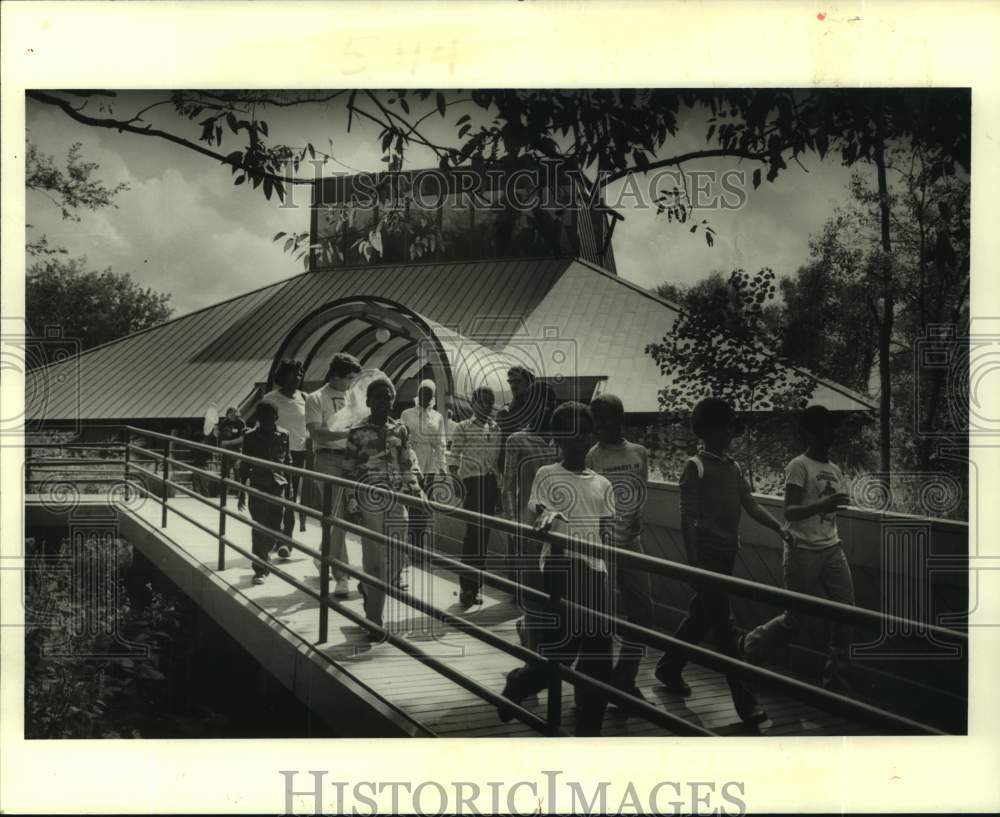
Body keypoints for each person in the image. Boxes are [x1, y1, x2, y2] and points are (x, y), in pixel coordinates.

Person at [654, 397, 790, 727]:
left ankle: (668, 667)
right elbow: (687, 520)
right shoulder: (695, 466)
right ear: (709, 430)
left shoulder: (733, 467)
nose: (731, 432)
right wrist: (694, 566)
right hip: (707, 559)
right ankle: (746, 703)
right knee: (725, 630)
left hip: (727, 556)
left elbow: (750, 504)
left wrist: (779, 526)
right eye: (725, 426)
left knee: (701, 616)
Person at [498, 402, 617, 737]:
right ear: (557, 438)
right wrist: (548, 515)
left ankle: (588, 730)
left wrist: (610, 572)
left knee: (596, 659)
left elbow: (606, 532)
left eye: (584, 431)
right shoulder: (548, 474)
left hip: (596, 572)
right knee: (567, 650)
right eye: (570, 432)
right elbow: (536, 508)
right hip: (562, 566)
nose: (578, 438)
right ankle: (521, 682)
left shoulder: (603, 484)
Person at [739, 404, 855, 693]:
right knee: (795, 619)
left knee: (848, 615)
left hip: (832, 547)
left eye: (830, 427)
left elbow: (829, 508)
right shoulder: (798, 465)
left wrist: (836, 505)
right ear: (807, 433)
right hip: (802, 550)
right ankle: (751, 647)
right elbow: (790, 511)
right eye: (821, 428)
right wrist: (826, 504)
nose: (828, 433)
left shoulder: (835, 469)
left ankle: (836, 683)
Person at [344, 377, 424, 638]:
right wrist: (352, 500)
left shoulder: (400, 430)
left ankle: (369, 590)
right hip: (370, 499)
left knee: (399, 556)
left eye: (389, 396)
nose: (384, 401)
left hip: (397, 498)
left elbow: (407, 464)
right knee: (374, 560)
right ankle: (374, 622)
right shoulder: (357, 433)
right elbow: (348, 472)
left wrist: (417, 491)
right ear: (368, 401)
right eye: (379, 397)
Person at [586, 393, 652, 703]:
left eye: (604, 419)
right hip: (603, 547)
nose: (598, 426)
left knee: (643, 614)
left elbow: (641, 493)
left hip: (633, 543)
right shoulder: (591, 457)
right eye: (594, 421)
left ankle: (624, 679)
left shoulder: (639, 452)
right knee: (602, 618)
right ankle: (597, 685)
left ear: (619, 418)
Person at [501, 381, 558, 649]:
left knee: (555, 592)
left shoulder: (562, 443)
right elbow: (508, 485)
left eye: (548, 404)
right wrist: (514, 525)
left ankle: (532, 635)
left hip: (559, 530)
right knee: (533, 591)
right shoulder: (517, 440)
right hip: (528, 528)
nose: (544, 409)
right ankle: (533, 653)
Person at [304, 353, 362, 598]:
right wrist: (346, 434)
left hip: (351, 461)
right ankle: (342, 576)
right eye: (348, 377)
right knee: (339, 516)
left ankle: (322, 556)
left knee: (344, 515)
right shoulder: (316, 398)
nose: (351, 382)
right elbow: (317, 434)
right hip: (327, 459)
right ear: (335, 375)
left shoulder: (354, 396)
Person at [449, 386, 502, 608]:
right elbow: (453, 460)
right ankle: (466, 588)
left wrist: (498, 492)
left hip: (490, 485)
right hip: (472, 483)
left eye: (490, 402)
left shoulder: (496, 428)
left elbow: (497, 464)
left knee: (484, 536)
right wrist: (457, 484)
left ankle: (476, 586)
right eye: (482, 401)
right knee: (473, 535)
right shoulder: (462, 427)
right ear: (473, 403)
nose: (486, 406)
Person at [236, 402, 292, 586]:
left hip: (279, 486)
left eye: (271, 417)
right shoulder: (251, 437)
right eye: (263, 417)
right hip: (258, 485)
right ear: (258, 419)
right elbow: (245, 464)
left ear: (276, 417)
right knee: (259, 527)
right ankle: (260, 568)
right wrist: (242, 491)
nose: (267, 421)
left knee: (276, 526)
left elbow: (288, 462)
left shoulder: (284, 435)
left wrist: (290, 488)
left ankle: (266, 556)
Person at [261, 359, 308, 549]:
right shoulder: (270, 399)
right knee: (275, 497)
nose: (298, 377)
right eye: (294, 373)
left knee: (290, 498)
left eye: (300, 374)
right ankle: (273, 535)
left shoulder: (305, 398)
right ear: (284, 375)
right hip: (275, 454)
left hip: (298, 454)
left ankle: (286, 541)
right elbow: (261, 428)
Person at [400, 379, 448, 563]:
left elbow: (441, 444)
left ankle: (418, 549)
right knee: (413, 506)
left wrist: (441, 466)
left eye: (428, 393)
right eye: (422, 392)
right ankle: (411, 548)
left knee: (425, 508)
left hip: (429, 467)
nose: (424, 396)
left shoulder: (437, 417)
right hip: (411, 464)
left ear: (433, 396)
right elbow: (401, 438)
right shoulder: (406, 414)